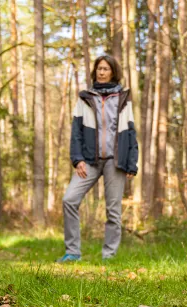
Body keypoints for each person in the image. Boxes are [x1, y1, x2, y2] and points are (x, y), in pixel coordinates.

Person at [58, 55, 138, 263]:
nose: (102, 72)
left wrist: (132, 162)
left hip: (116, 161)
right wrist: (77, 159)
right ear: (95, 72)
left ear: (113, 72)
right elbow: (76, 130)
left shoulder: (123, 97)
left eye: (106, 69)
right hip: (90, 160)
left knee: (113, 210)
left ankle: (109, 256)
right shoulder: (85, 97)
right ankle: (73, 252)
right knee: (69, 199)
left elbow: (130, 131)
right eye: (99, 68)